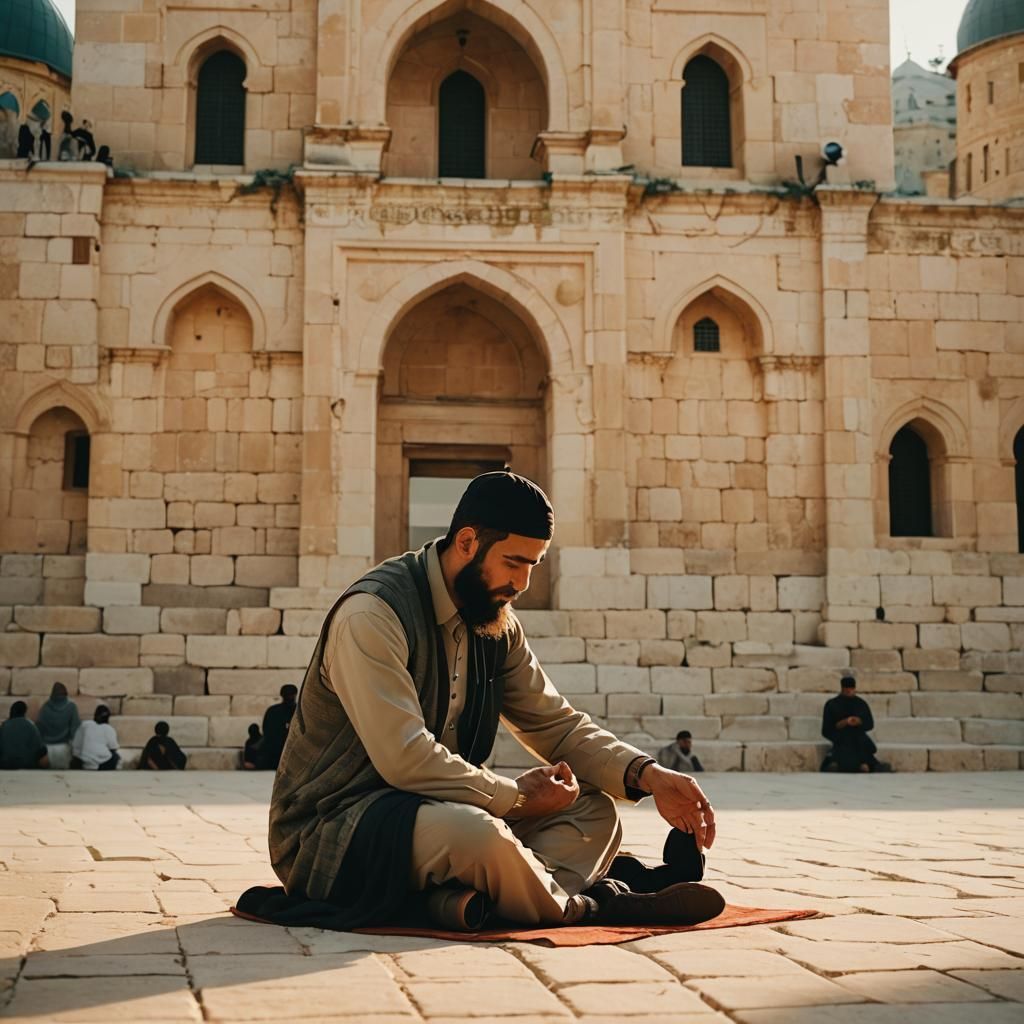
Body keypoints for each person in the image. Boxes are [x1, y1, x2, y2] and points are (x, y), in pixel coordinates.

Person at [261, 470, 722, 932]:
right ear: (466, 542)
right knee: (480, 836)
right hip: (337, 832)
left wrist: (647, 773)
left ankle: (461, 903)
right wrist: (516, 798)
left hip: (443, 814)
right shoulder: (373, 614)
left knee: (593, 810)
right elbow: (404, 758)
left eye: (533, 566)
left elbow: (556, 726)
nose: (522, 583)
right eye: (513, 562)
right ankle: (591, 905)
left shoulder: (495, 622)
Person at [821, 676, 890, 773]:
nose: (849, 691)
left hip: (858, 739)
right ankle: (864, 765)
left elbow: (869, 724)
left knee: (859, 743)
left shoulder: (861, 704)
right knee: (846, 747)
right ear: (842, 689)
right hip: (841, 740)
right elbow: (826, 730)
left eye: (851, 689)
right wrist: (841, 724)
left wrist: (859, 721)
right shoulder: (832, 704)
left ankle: (860, 765)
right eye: (846, 690)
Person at [36, 682, 80, 770]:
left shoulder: (45, 707)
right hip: (65, 748)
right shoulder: (71, 707)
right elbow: (75, 731)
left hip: (46, 748)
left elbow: (39, 729)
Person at [258, 686, 298, 770]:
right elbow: (268, 733)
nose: (290, 697)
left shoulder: (299, 711)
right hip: (276, 754)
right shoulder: (273, 711)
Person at [0, 702, 48, 770]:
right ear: (24, 712)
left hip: (6, 764)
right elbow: (40, 748)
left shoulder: (5, 726)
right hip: (27, 764)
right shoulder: (31, 725)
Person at [71, 705, 120, 771]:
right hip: (101, 763)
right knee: (115, 756)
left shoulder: (85, 724)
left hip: (83, 760)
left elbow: (76, 743)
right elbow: (113, 748)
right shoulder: (109, 729)